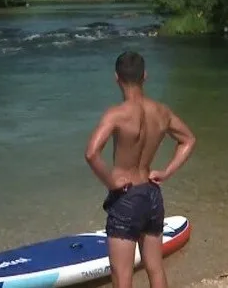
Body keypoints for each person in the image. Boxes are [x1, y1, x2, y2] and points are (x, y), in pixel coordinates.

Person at [84, 51, 196, 288]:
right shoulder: (161, 112)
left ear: (116, 78)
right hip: (152, 195)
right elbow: (188, 140)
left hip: (126, 199)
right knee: (155, 269)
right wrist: (166, 172)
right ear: (145, 76)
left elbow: (91, 153)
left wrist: (111, 181)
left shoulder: (117, 115)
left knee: (122, 276)